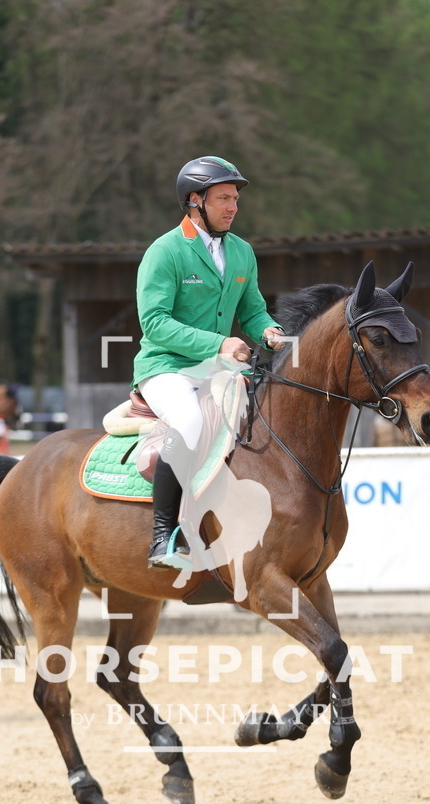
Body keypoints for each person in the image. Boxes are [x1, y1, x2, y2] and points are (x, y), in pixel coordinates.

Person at [133, 155, 286, 569]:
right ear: (194, 200)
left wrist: (269, 332)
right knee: (191, 422)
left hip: (219, 369)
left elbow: (254, 312)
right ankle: (164, 534)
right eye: (223, 198)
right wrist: (219, 344)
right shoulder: (164, 252)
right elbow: (156, 324)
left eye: (234, 198)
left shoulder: (242, 252)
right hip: (166, 367)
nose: (233, 207)